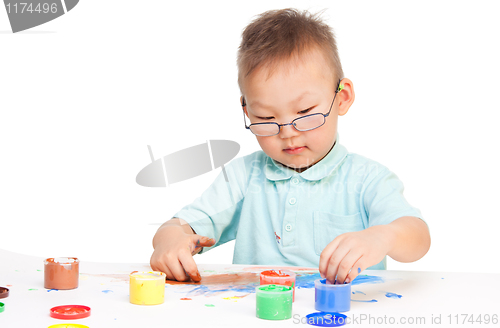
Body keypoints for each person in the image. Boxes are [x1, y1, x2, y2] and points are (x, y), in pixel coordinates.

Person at [150, 8, 430, 285]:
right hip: (258, 314)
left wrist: (383, 237)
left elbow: (418, 237)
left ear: (342, 98)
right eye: (266, 118)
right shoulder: (242, 178)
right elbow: (178, 226)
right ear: (247, 111)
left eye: (305, 112)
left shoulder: (368, 178)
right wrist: (169, 241)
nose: (288, 134)